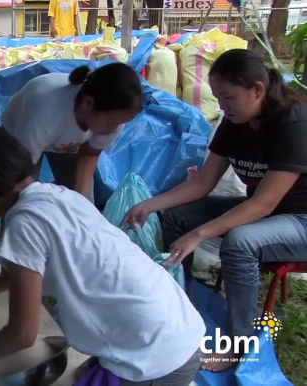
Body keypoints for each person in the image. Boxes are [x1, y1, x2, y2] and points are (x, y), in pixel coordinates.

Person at [0, 122, 205, 385]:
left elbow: (21, 335)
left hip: (159, 358)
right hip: (179, 329)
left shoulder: (24, 224)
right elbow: (32, 266)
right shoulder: (60, 196)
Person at [123, 49, 307, 371]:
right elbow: (202, 183)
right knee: (176, 216)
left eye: (228, 97)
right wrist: (149, 204)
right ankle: (181, 307)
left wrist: (200, 234)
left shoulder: (294, 125)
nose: (222, 106)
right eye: (218, 98)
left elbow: (264, 203)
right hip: (264, 211)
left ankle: (239, 344)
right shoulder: (235, 122)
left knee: (241, 240)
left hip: (299, 219)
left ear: (257, 90)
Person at [1, 63, 142, 202]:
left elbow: (89, 154)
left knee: (84, 206)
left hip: (64, 142)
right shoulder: (45, 110)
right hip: (21, 139)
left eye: (119, 124)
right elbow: (21, 173)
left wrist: (80, 201)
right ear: (88, 103)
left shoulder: (114, 116)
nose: (113, 130)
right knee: (19, 200)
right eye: (111, 124)